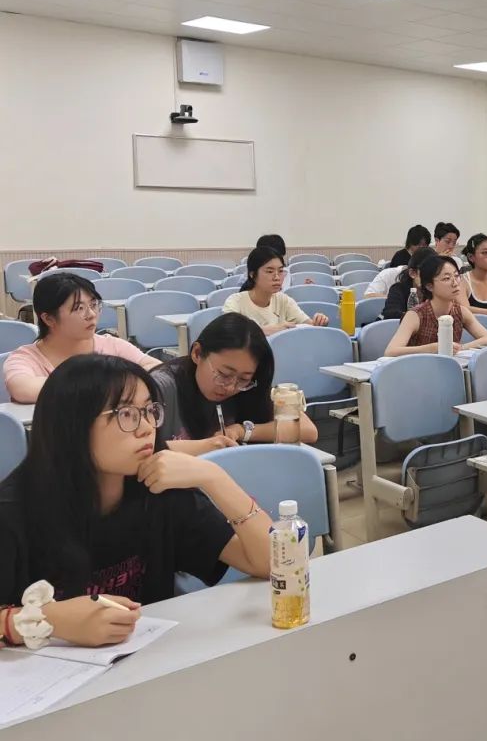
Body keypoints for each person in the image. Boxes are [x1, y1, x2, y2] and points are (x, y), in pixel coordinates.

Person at [0, 355, 272, 646]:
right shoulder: (14, 510)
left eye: (149, 411)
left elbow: (270, 563)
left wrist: (214, 477)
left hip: (151, 659)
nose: (146, 428)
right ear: (72, 425)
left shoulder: (157, 489)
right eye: (126, 414)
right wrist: (46, 620)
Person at [151, 313, 317, 454]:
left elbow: (308, 430)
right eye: (224, 374)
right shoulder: (159, 387)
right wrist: (206, 446)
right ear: (197, 353)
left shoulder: (250, 387)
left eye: (243, 379)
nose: (230, 387)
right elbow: (137, 452)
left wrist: (242, 430)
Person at [4, 272, 159, 404]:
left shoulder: (112, 346)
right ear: (49, 319)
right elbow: (22, 388)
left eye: (93, 305)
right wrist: (110, 385)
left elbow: (157, 369)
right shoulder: (26, 358)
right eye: (79, 308)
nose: (91, 314)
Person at [385, 255, 487, 356]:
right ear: (429, 286)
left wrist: (460, 348)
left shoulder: (461, 311)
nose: (455, 283)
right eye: (447, 278)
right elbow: (391, 352)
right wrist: (432, 348)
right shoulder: (415, 315)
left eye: (456, 276)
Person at [223, 247, 330, 335]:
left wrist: (319, 322)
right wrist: (263, 330)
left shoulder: (284, 300)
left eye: (280, 271)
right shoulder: (235, 301)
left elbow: (308, 325)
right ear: (252, 274)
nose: (277, 277)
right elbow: (228, 333)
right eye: (270, 271)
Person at [379, 247, 435, 320]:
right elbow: (390, 314)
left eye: (435, 273)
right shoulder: (398, 289)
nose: (431, 278)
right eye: (427, 273)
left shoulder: (435, 290)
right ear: (412, 273)